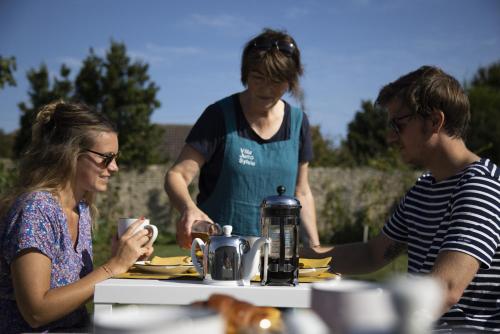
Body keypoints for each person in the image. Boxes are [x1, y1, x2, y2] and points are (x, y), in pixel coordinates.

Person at [305, 66, 500, 332]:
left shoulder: (480, 186)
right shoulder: (424, 189)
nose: (390, 137)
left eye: (398, 124)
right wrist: (289, 258)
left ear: (434, 121)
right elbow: (373, 254)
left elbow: (446, 289)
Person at [0, 101, 154, 333]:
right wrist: (112, 267)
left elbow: (73, 293)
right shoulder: (35, 211)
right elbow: (36, 312)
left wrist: (123, 261)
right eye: (106, 157)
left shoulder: (80, 209)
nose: (115, 167)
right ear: (71, 154)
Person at [165, 28, 321, 249]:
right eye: (258, 78)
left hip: (279, 258)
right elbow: (176, 175)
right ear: (246, 73)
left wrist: (315, 249)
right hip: (219, 256)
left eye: (277, 81)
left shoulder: (298, 123)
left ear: (291, 80)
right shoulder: (219, 116)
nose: (266, 89)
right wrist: (188, 208)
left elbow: (302, 191)